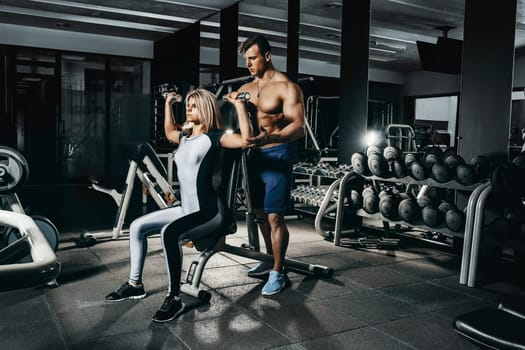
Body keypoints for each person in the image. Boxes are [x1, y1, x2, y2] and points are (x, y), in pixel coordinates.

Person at [105, 88, 252, 323]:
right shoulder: (184, 136)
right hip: (186, 207)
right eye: (187, 106)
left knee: (169, 233)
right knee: (136, 226)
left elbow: (246, 139)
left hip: (209, 211)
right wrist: (168, 104)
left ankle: (174, 297)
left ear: (205, 108)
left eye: (193, 106)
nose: (188, 109)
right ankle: (135, 284)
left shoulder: (216, 138)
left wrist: (240, 106)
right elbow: (169, 131)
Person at [236, 35, 306, 296]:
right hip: (255, 157)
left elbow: (298, 127)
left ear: (267, 56)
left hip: (278, 154)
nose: (249, 64)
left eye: (253, 58)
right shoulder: (248, 87)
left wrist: (271, 137)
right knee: (260, 215)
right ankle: (268, 260)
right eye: (246, 60)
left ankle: (279, 271)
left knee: (275, 216)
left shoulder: (286, 87)